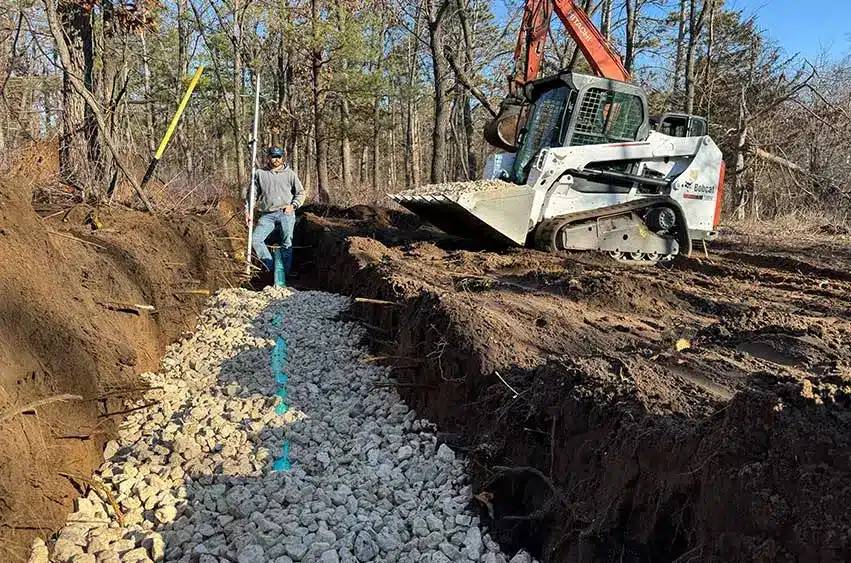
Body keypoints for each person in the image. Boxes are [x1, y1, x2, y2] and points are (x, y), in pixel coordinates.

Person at [244, 146, 305, 275]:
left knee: (286, 243)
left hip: (286, 213)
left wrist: (293, 206)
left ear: (282, 158)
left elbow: (300, 193)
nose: (276, 159)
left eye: (278, 156)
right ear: (268, 157)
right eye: (273, 156)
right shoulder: (260, 174)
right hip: (268, 214)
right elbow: (252, 195)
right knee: (256, 240)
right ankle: (271, 267)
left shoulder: (290, 174)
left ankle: (285, 274)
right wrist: (248, 211)